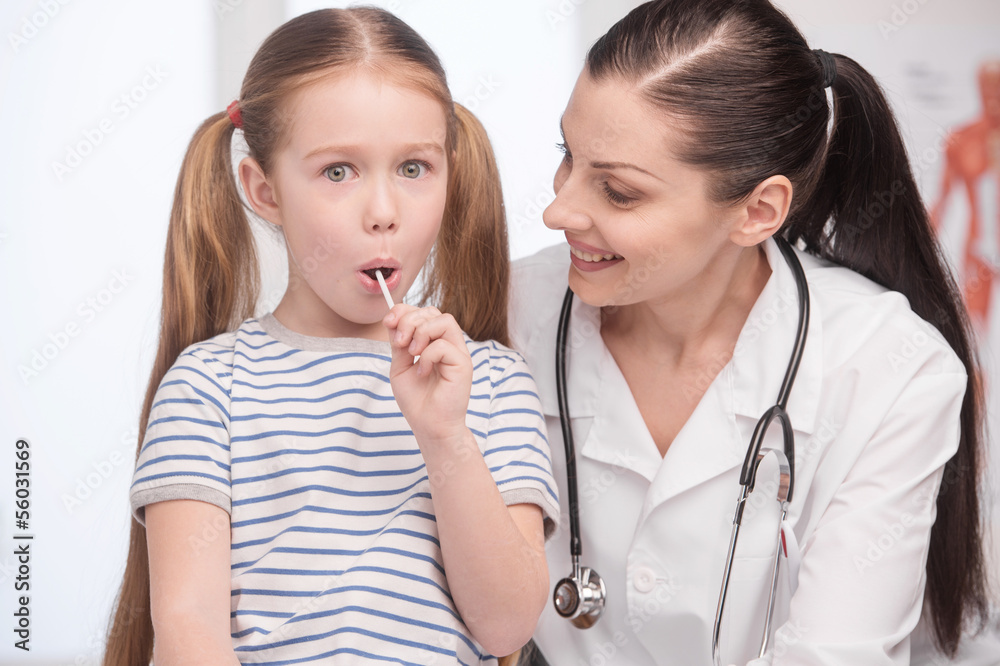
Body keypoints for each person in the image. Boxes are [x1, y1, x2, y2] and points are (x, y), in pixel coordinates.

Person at [508, 0, 993, 664]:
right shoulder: (506, 313)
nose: (558, 208)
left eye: (618, 192)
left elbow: (831, 654)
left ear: (758, 211)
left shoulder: (887, 367)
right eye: (569, 156)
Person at [101, 8, 558, 666]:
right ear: (264, 192)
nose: (383, 212)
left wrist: (446, 438)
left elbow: (506, 625)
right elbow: (187, 625)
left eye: (414, 168)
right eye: (338, 172)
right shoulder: (209, 388)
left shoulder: (490, 384)